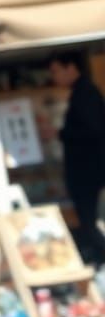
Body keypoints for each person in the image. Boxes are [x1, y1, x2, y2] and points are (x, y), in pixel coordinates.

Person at [48, 54, 105, 266]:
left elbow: (92, 130)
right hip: (90, 170)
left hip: (88, 171)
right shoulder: (83, 92)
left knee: (91, 221)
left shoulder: (86, 94)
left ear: (70, 67)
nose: (54, 77)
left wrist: (62, 133)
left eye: (55, 71)